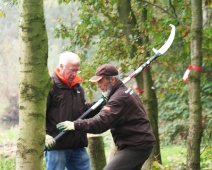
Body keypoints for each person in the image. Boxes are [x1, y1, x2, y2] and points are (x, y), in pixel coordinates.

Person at [56, 63, 156, 170]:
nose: (98, 86)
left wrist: (75, 125)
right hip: (140, 143)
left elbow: (101, 123)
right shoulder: (124, 92)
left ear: (112, 80)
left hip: (136, 145)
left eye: (100, 81)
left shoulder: (118, 98)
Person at [45, 51, 101, 170]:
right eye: (72, 70)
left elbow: (83, 112)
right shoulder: (50, 86)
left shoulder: (77, 87)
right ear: (61, 67)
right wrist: (44, 135)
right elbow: (39, 115)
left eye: (77, 70)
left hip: (78, 146)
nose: (75, 74)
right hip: (57, 146)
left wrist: (100, 104)